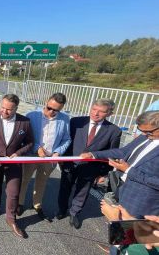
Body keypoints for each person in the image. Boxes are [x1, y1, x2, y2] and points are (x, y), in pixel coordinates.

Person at [57, 98, 122, 229]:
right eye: (94, 109)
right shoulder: (76, 122)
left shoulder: (114, 130)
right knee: (65, 187)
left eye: (101, 112)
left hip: (91, 168)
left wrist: (104, 173)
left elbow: (111, 153)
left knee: (83, 191)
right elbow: (67, 141)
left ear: (109, 113)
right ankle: (61, 209)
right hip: (70, 163)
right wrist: (61, 160)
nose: (95, 113)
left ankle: (74, 213)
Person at [81, 110, 159, 218]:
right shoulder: (144, 137)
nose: (144, 134)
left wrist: (128, 170)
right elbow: (123, 152)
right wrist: (94, 154)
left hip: (143, 201)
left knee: (131, 231)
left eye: (148, 132)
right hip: (122, 189)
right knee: (118, 224)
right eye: (142, 131)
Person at [0, 94, 33, 238]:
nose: (4, 112)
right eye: (2, 107)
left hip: (14, 162)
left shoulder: (25, 122)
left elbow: (30, 142)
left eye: (9, 110)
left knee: (13, 192)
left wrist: (19, 153)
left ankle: (11, 219)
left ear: (16, 109)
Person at [18, 93, 71, 221]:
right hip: (32, 156)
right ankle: (19, 203)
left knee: (41, 182)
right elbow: (25, 136)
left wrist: (58, 152)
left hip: (50, 158)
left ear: (62, 108)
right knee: (24, 180)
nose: (51, 112)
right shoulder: (31, 115)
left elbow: (67, 139)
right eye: (49, 108)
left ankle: (37, 205)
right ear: (46, 102)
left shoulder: (64, 119)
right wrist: (37, 147)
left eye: (56, 110)